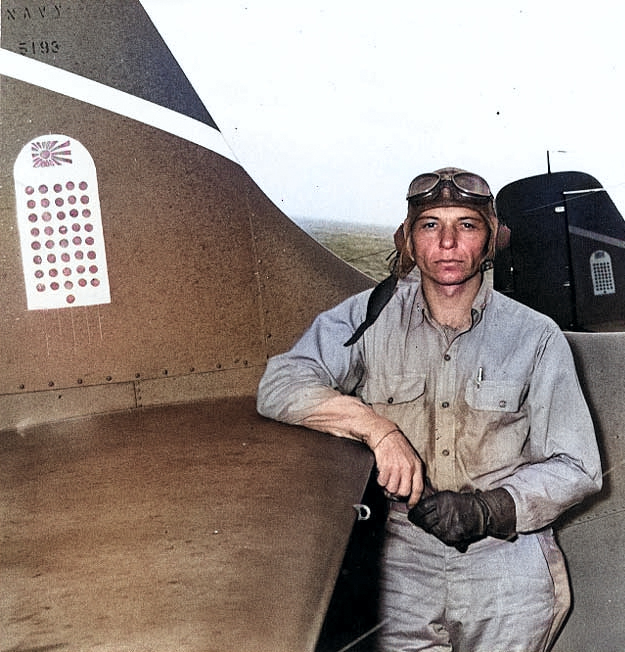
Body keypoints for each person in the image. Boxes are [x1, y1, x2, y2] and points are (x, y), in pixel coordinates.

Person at [256, 167, 602, 652]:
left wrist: (488, 509)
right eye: (431, 225)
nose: (447, 243)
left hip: (506, 559)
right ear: (409, 240)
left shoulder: (535, 336)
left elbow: (579, 467)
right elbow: (280, 384)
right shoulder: (368, 316)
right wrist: (378, 430)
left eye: (466, 225)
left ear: (490, 242)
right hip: (403, 559)